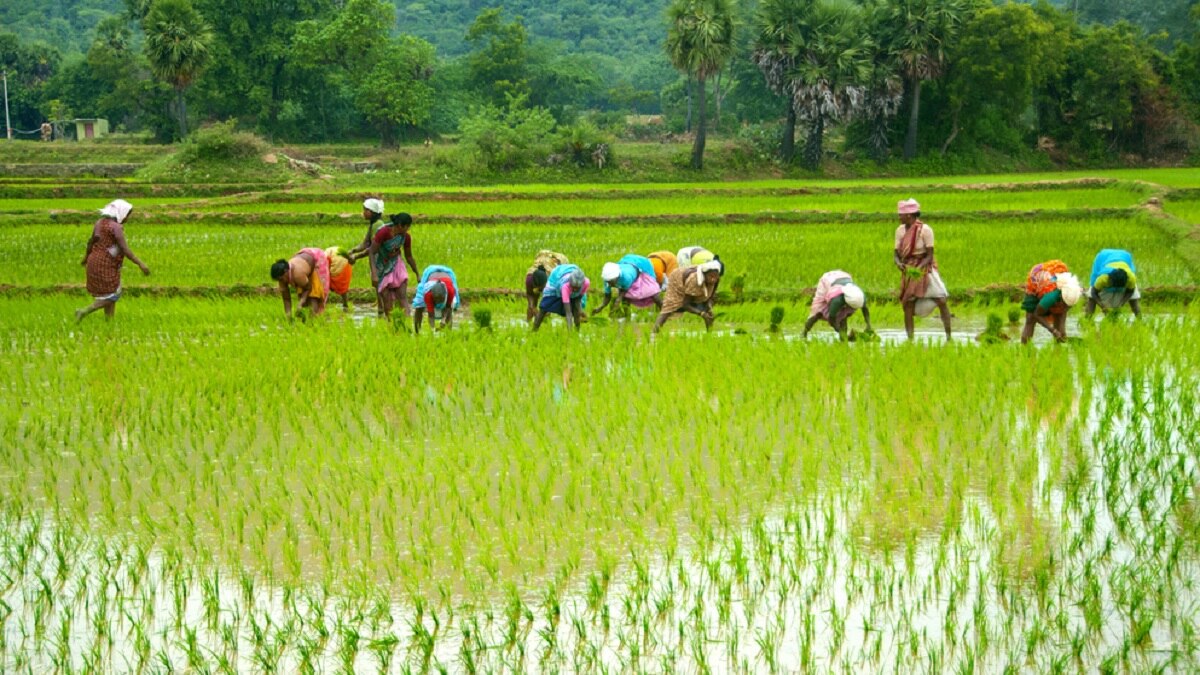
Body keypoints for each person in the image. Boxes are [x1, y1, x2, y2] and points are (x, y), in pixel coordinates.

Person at [76, 199, 150, 321]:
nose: (127, 218)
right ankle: (84, 311)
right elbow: (124, 249)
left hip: (94, 260)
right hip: (106, 263)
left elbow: (91, 242)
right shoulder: (116, 227)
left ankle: (109, 321)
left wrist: (85, 258)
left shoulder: (99, 223)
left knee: (110, 292)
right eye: (127, 215)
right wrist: (141, 264)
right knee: (114, 295)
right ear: (121, 213)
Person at [894, 199, 951, 340]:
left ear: (909, 215)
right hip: (908, 268)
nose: (899, 217)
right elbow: (896, 253)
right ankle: (910, 339)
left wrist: (919, 268)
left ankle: (949, 336)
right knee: (908, 304)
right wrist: (898, 263)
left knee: (942, 300)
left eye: (901, 214)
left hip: (925, 267)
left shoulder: (925, 230)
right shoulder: (900, 230)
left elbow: (930, 255)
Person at [368, 212, 418, 319]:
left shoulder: (406, 237)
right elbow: (371, 252)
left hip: (396, 265)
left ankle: (407, 324)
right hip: (381, 265)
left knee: (402, 296)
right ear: (400, 225)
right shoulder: (383, 233)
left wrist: (417, 273)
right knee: (386, 298)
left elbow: (409, 257)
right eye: (407, 226)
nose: (408, 229)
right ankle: (391, 326)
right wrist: (374, 274)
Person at [1020, 260, 1082, 343]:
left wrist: (1062, 332)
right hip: (1036, 279)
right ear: (1061, 297)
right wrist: (1052, 330)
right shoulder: (1051, 296)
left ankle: (1057, 351)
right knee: (1030, 319)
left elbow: (1062, 313)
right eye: (1065, 305)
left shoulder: (1072, 292)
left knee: (1059, 315)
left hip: (1053, 278)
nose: (1066, 308)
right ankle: (1024, 349)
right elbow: (1037, 314)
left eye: (1068, 306)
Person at [652, 261, 722, 333]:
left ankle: (709, 334)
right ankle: (653, 334)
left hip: (691, 282)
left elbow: (711, 295)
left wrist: (708, 307)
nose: (713, 279)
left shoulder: (716, 279)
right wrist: (701, 313)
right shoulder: (694, 280)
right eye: (711, 276)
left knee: (709, 314)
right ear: (704, 275)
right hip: (677, 279)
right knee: (668, 308)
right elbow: (685, 304)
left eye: (715, 277)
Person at [802, 270, 872, 340]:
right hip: (828, 280)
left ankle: (843, 340)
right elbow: (831, 319)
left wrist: (868, 325)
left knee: (843, 316)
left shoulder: (859, 295)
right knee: (818, 312)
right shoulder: (837, 301)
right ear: (846, 302)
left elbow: (865, 309)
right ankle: (804, 333)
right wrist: (839, 330)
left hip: (843, 276)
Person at [591, 254, 662, 315]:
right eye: (609, 282)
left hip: (642, 265)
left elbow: (624, 290)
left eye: (612, 282)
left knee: (653, 292)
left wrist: (618, 299)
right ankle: (627, 317)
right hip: (626, 262)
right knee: (625, 299)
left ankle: (664, 310)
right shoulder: (607, 280)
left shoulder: (626, 277)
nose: (610, 284)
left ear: (617, 277)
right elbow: (607, 296)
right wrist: (601, 307)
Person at [271, 248, 330, 319]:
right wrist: (288, 316)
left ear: (286, 271)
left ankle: (313, 320)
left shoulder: (298, 274)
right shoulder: (282, 278)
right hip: (303, 262)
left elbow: (308, 287)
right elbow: (286, 298)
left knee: (314, 296)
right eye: (278, 280)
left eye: (281, 279)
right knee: (302, 296)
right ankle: (305, 319)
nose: (281, 282)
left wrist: (301, 301)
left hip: (316, 259)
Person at [1085, 249, 1141, 318]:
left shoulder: (1131, 278)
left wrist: (1122, 302)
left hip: (1124, 257)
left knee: (1134, 300)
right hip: (1103, 257)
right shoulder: (1103, 278)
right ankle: (1087, 318)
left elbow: (1131, 291)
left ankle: (1139, 319)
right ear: (1110, 280)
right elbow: (1094, 292)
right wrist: (1102, 306)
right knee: (1091, 298)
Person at [532, 264, 590, 331]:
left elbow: (578, 298)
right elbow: (568, 313)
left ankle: (577, 331)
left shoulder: (586, 283)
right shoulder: (565, 286)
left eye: (577, 288)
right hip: (555, 282)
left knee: (576, 309)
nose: (575, 290)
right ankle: (534, 330)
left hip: (569, 286)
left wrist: (579, 311)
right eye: (573, 287)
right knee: (544, 307)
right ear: (570, 283)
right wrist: (570, 333)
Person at [412, 265, 459, 334]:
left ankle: (449, 335)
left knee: (450, 311)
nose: (438, 303)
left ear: (445, 294)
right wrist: (432, 330)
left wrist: (443, 319)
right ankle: (417, 333)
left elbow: (448, 307)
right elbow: (431, 315)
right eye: (436, 300)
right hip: (429, 273)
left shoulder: (450, 290)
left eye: (441, 299)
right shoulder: (428, 294)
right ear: (433, 296)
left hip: (447, 276)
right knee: (419, 305)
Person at [525, 250, 570, 321]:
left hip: (559, 260)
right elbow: (529, 294)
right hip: (543, 257)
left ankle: (545, 323)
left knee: (546, 307)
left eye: (541, 289)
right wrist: (531, 306)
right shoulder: (530, 278)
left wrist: (545, 311)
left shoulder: (553, 280)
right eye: (538, 289)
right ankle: (528, 322)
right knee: (532, 305)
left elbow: (552, 299)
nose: (540, 291)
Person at [348, 198, 385, 262]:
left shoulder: (378, 225)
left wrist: (356, 256)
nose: (363, 212)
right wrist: (353, 250)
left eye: (365, 210)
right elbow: (365, 244)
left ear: (371, 211)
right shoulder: (373, 224)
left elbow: (372, 248)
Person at [325, 246, 355, 311]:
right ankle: (345, 305)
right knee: (343, 288)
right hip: (337, 257)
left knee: (325, 284)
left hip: (337, 258)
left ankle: (323, 305)